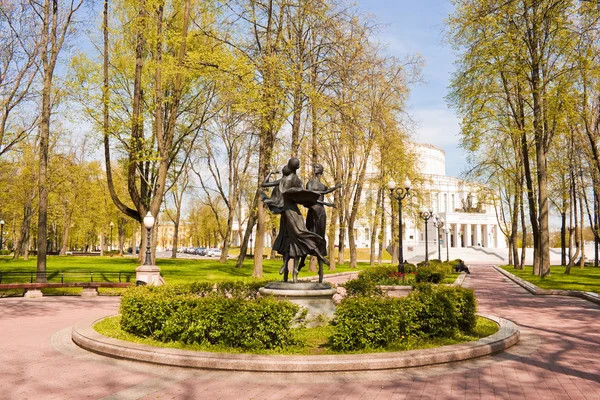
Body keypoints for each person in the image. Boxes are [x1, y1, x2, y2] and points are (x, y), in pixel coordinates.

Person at [261, 158, 330, 283]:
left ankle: (287, 267)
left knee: (295, 236)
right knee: (297, 236)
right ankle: (315, 258)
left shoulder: (283, 180)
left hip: (287, 212)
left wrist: (270, 174)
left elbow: (264, 185)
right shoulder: (298, 181)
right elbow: (303, 196)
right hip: (293, 212)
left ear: (288, 166)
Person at [297, 164, 341, 282]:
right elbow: (310, 198)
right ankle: (301, 262)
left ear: (321, 171)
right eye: (314, 167)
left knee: (321, 238)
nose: (315, 169)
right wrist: (328, 204)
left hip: (321, 212)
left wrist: (336, 187)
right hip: (313, 211)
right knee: (309, 236)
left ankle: (320, 270)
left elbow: (326, 192)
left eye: (317, 167)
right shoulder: (310, 183)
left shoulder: (322, 186)